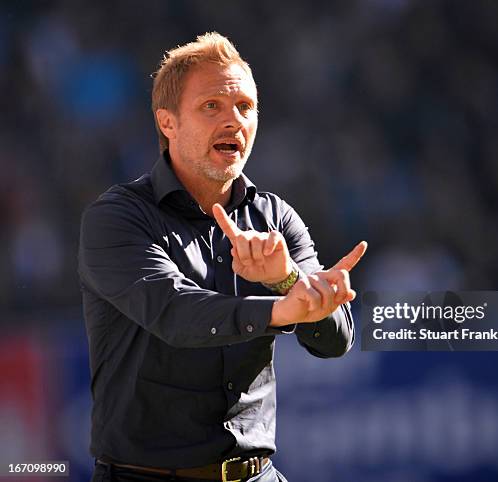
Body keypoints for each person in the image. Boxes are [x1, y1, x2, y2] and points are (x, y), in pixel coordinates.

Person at [78, 32, 367, 482]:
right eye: (211, 106)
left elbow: (334, 340)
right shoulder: (116, 218)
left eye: (245, 107)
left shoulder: (276, 216)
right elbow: (175, 313)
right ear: (167, 123)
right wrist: (278, 308)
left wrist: (288, 279)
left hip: (258, 474)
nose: (234, 120)